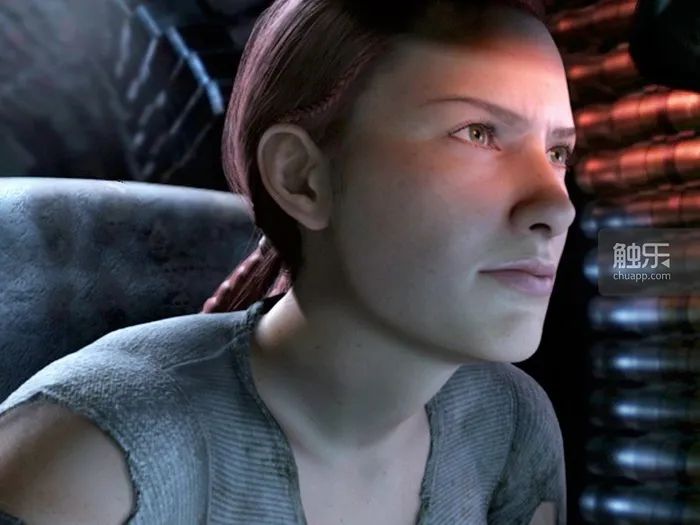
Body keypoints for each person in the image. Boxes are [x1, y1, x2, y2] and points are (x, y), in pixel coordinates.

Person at [0, 0, 576, 523]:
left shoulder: (510, 427)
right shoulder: (90, 464)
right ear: (302, 178)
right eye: (477, 133)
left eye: (557, 152)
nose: (557, 206)